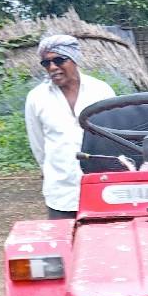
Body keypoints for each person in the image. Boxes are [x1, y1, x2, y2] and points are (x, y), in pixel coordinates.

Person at [24, 33, 116, 219]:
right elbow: (38, 146)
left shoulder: (102, 91)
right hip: (60, 193)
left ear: (74, 59)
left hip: (102, 188)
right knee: (64, 243)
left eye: (59, 60)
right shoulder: (36, 98)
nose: (53, 67)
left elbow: (114, 139)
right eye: (46, 63)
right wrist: (50, 172)